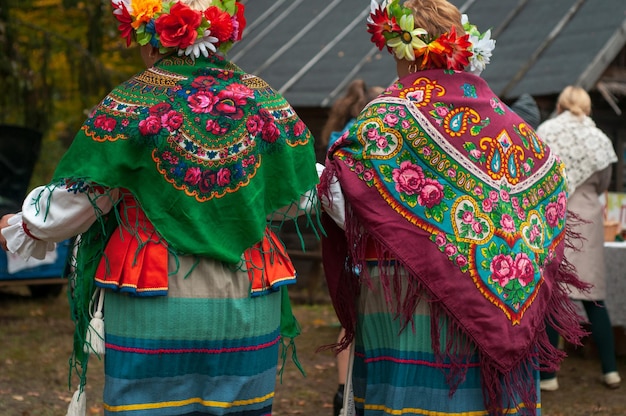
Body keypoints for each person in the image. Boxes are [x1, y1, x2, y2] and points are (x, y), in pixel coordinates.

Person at [0, 1, 320, 415]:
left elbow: (85, 196)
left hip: (157, 292)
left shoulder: (135, 100)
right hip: (250, 295)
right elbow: (300, 197)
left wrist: (23, 224)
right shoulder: (264, 101)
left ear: (149, 36)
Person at [316, 0, 589, 415]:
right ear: (463, 47)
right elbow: (552, 180)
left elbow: (343, 197)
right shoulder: (515, 126)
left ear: (402, 47)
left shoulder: (389, 119)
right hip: (500, 302)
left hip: (408, 303)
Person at [535, 85, 621, 391]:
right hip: (587, 216)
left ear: (560, 105)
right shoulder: (599, 138)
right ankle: (610, 370)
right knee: (594, 297)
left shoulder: (546, 130)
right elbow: (603, 183)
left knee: (550, 296)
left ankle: (548, 376)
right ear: (587, 106)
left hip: (553, 216)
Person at [320, 78, 385, 416]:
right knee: (371, 317)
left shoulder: (339, 137)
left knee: (350, 318)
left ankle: (343, 387)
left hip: (349, 238)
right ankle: (368, 382)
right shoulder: (368, 136)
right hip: (369, 239)